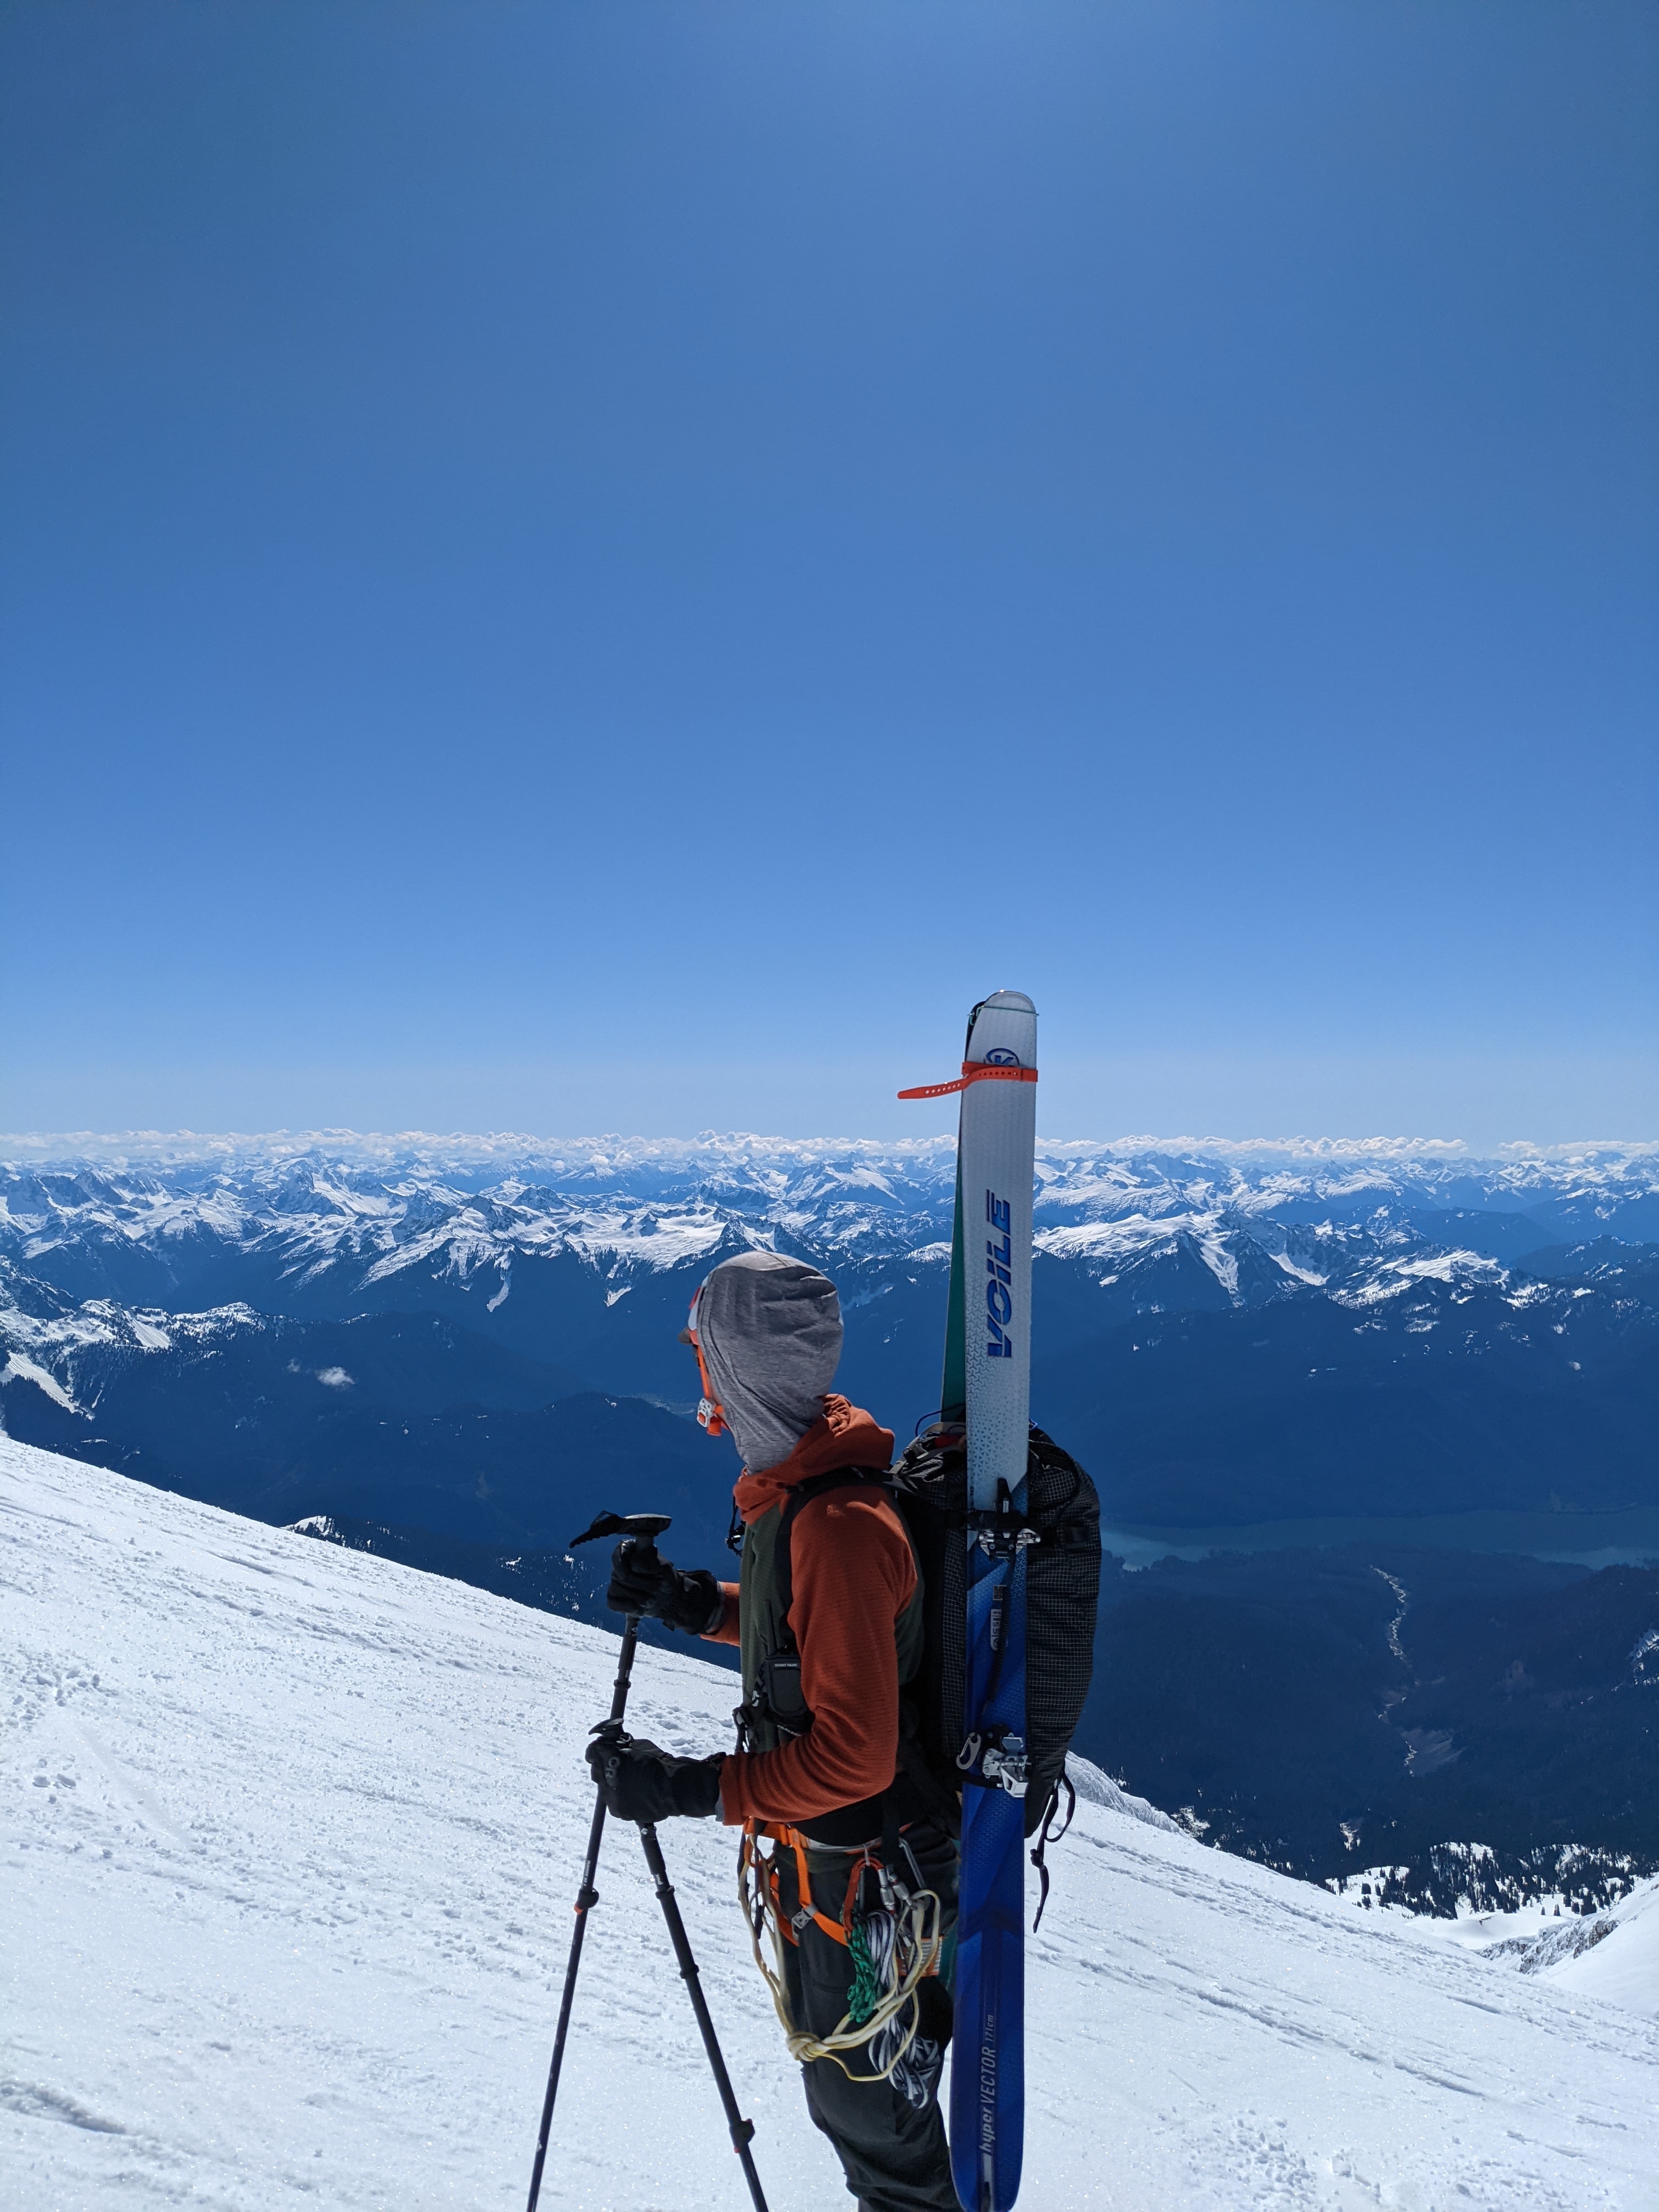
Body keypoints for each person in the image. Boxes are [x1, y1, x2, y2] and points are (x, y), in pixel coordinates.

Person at [585, 1250, 961, 2212]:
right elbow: (811, 1647)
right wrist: (690, 1604)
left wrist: (688, 1788)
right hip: (847, 1866)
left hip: (861, 1877)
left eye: (705, 1357)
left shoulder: (836, 1526)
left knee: (874, 2121)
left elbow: (853, 1755)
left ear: (735, 1371)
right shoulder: (810, 1491)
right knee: (861, 2105)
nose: (699, 1381)